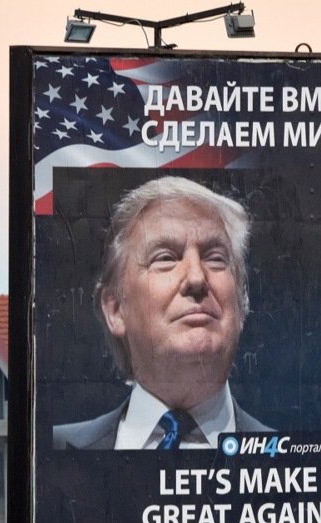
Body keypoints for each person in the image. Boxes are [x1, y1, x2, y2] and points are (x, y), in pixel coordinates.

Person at [53, 176, 268, 449]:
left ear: (241, 301)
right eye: (165, 258)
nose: (196, 278)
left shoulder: (295, 462)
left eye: (215, 258)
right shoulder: (57, 451)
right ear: (116, 309)